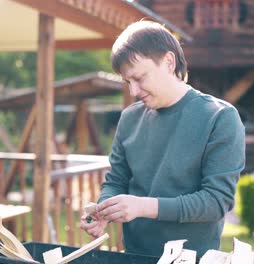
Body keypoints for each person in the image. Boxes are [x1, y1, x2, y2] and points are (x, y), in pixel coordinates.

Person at [80, 20, 245, 258]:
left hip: (192, 259)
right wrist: (103, 210)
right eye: (128, 82)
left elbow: (217, 201)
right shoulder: (129, 118)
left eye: (139, 78)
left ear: (169, 62)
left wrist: (143, 206)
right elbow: (116, 180)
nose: (133, 91)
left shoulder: (220, 117)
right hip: (133, 255)